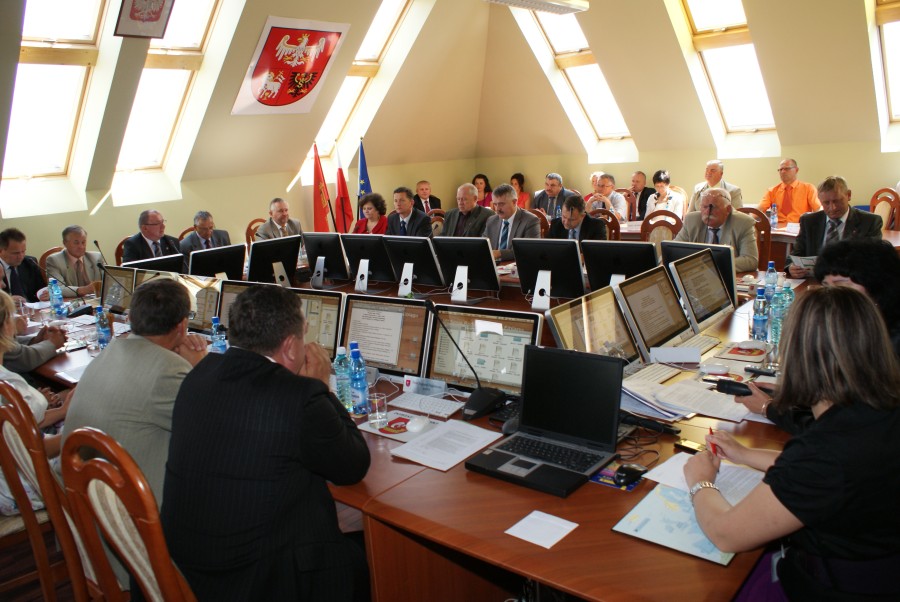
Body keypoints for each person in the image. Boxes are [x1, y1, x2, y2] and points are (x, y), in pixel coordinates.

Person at [685, 286, 900, 600]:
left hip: (835, 586)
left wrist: (701, 482)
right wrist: (744, 454)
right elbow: (838, 476)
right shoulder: (878, 413)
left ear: (798, 358)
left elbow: (726, 535)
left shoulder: (826, 450)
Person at [161, 285, 370, 602]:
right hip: (261, 583)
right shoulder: (298, 397)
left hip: (188, 571)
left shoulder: (199, 374)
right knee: (367, 556)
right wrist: (321, 386)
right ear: (290, 347)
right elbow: (353, 465)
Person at [62, 279, 207, 506]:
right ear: (182, 325)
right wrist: (199, 369)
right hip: (133, 513)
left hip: (83, 500)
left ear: (131, 318)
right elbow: (214, 429)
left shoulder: (111, 350)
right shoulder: (169, 368)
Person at [0, 290, 72, 516]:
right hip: (22, 487)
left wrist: (62, 408)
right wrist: (77, 426)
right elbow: (35, 448)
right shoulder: (8, 385)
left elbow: (18, 426)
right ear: (6, 327)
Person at [815, 238, 900, 358]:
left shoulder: (892, 337)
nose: (830, 293)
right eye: (825, 286)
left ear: (875, 284)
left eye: (841, 285)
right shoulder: (838, 318)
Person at [786, 176, 882, 278]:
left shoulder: (869, 222)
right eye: (826, 203)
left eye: (837, 201)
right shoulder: (809, 221)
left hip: (851, 281)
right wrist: (791, 267)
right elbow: (794, 256)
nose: (832, 208)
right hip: (814, 281)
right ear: (820, 200)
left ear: (848, 195)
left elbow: (873, 261)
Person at [675, 188, 758, 272]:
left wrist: (711, 265)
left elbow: (750, 260)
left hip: (728, 276)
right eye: (704, 207)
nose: (708, 211)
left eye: (713, 207)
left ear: (728, 209)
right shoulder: (691, 220)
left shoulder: (743, 223)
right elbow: (674, 250)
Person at [483, 184, 541, 261]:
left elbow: (529, 250)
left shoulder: (530, 220)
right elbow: (483, 246)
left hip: (516, 265)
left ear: (514, 202)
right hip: (493, 265)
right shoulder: (491, 221)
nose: (497, 209)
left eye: (501, 204)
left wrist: (499, 253)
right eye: (495, 204)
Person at [44, 226, 104, 298]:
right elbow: (56, 288)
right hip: (69, 302)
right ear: (65, 243)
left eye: (83, 242)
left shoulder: (96, 258)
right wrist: (83, 290)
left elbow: (108, 282)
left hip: (94, 301)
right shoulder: (54, 261)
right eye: (76, 243)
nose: (81, 247)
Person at [757, 159, 821, 223]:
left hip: (800, 226)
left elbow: (818, 210)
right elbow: (759, 210)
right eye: (780, 169)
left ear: (796, 170)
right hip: (778, 226)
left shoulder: (808, 188)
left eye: (786, 169)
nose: (783, 172)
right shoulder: (772, 191)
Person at [0, 229, 44, 303]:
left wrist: (45, 294)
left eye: (23, 251)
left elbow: (40, 289)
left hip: (32, 307)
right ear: (1, 251)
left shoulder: (30, 263)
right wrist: (7, 300)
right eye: (16, 253)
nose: (21, 256)